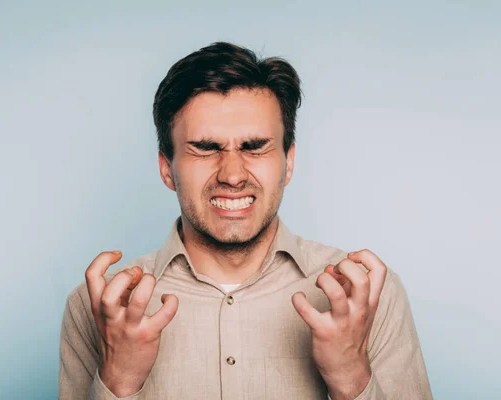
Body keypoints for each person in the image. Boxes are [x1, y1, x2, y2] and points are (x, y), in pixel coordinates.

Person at [58, 42, 433, 400]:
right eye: (205, 148)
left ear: (288, 162)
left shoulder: (366, 297)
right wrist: (119, 381)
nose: (233, 175)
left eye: (255, 147)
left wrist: (351, 376)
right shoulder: (99, 307)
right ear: (166, 168)